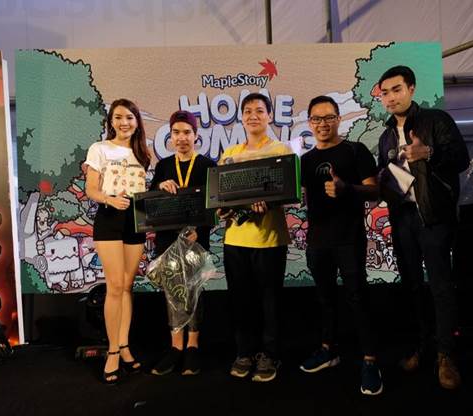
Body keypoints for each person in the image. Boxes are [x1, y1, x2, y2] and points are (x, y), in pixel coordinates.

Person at [376, 65, 470, 389]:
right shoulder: (386, 136)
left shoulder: (436, 120)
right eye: (385, 92)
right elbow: (386, 176)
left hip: (434, 216)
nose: (391, 97)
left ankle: (446, 355)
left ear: (412, 89)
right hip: (402, 218)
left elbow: (461, 158)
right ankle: (423, 346)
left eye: (397, 89)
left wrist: (428, 152)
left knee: (441, 286)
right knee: (413, 287)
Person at [299, 95, 382, 396]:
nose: (323, 124)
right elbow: (294, 194)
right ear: (309, 123)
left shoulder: (355, 151)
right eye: (316, 119)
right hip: (317, 240)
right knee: (325, 299)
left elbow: (375, 190)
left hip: (349, 238)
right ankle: (328, 350)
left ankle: (370, 360)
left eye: (328, 117)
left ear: (338, 119)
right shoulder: (305, 161)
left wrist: (346, 189)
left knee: (358, 298)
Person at [218, 93, 292, 382]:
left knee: (270, 302)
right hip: (235, 240)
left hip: (269, 240)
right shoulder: (229, 154)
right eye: (247, 111)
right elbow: (221, 199)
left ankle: (270, 354)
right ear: (241, 117)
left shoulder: (281, 150)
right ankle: (244, 352)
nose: (253, 116)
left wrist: (268, 203)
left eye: (259, 110)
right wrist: (222, 210)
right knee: (240, 301)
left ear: (269, 116)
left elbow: (287, 191)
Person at [84, 98, 151, 384]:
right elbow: (90, 189)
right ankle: (112, 351)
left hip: (136, 220)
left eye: (130, 117)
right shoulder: (99, 148)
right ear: (111, 121)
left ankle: (124, 346)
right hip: (109, 218)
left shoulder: (143, 153)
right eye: (119, 117)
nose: (124, 122)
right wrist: (109, 199)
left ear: (137, 122)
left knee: (127, 285)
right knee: (113, 287)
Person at [148, 110, 216, 376]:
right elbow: (151, 204)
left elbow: (213, 204)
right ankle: (175, 347)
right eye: (176, 133)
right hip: (168, 241)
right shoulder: (164, 166)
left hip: (196, 240)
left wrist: (201, 229)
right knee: (172, 293)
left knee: (194, 291)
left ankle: (193, 347)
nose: (181, 138)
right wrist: (159, 187)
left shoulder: (207, 165)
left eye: (187, 132)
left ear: (196, 135)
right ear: (170, 136)